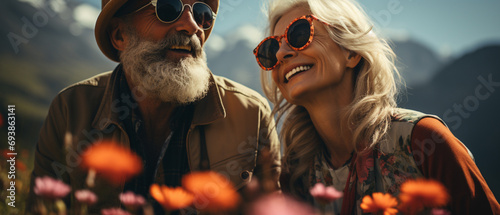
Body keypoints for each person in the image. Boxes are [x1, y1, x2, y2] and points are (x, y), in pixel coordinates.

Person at [27, 0, 281, 213]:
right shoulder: (69, 110)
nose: (192, 26)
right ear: (119, 35)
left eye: (202, 14)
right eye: (168, 8)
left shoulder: (252, 114)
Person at [254, 0, 500, 214]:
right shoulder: (294, 174)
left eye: (298, 33)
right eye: (270, 48)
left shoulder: (425, 142)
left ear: (351, 51)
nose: (280, 54)